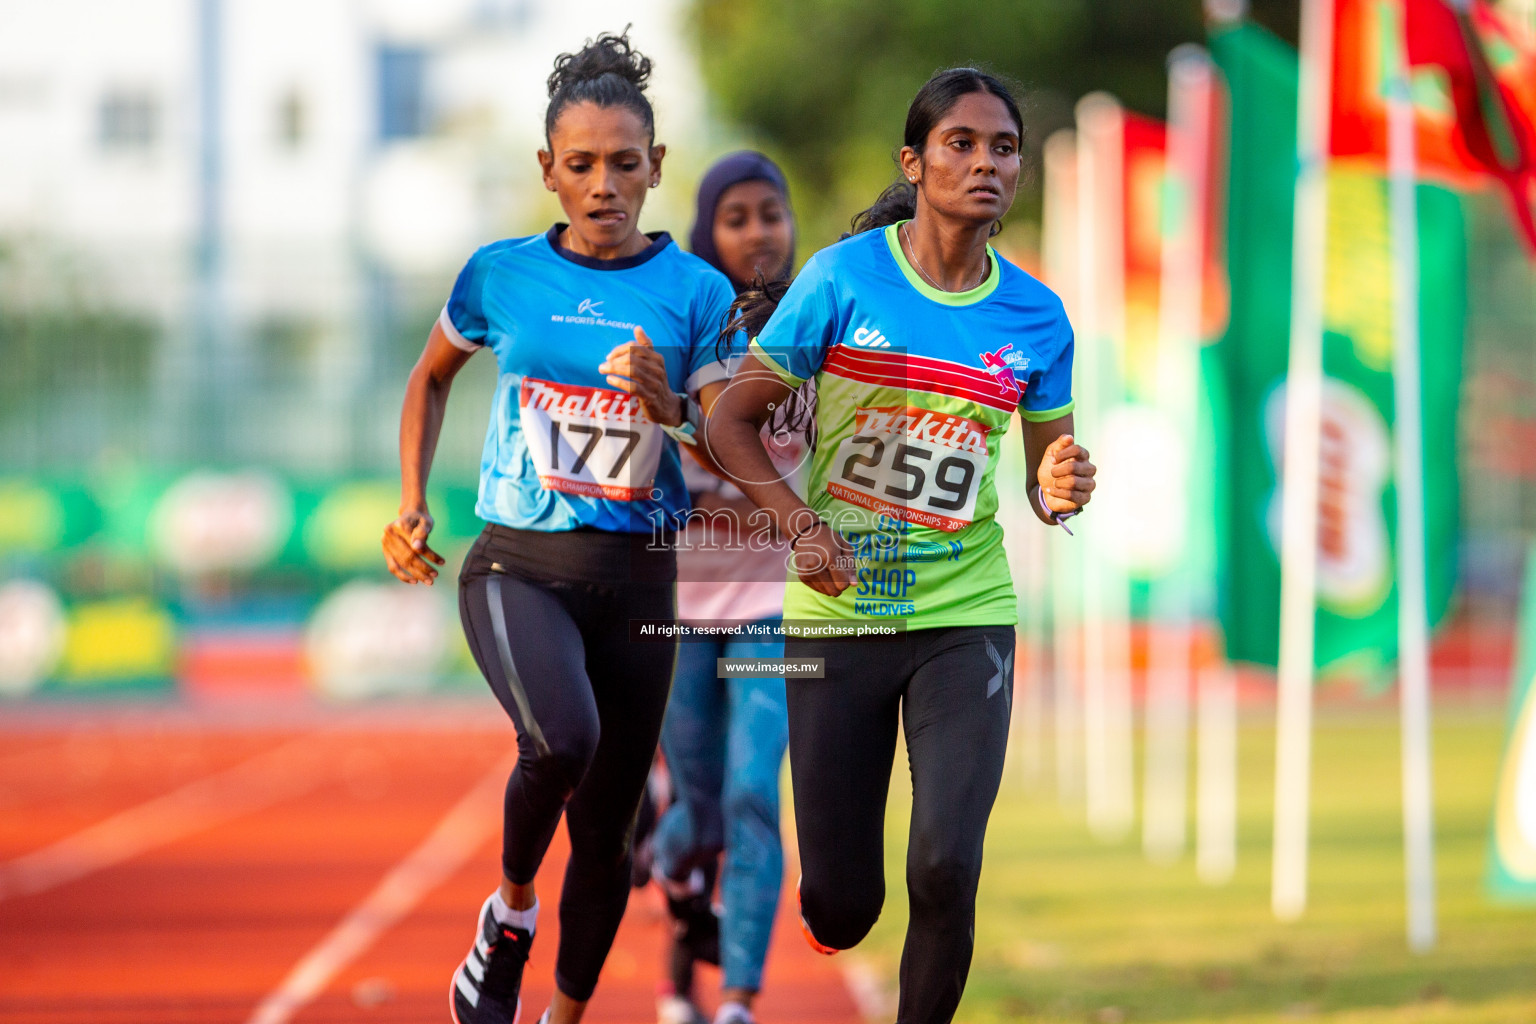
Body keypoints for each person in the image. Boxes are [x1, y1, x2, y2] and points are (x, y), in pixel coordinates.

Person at [704, 68, 1097, 1024]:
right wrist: (801, 526)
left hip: (967, 616)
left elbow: (1052, 476)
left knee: (947, 863)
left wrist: (1061, 486)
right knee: (843, 909)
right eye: (961, 144)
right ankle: (831, 902)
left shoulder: (1038, 318)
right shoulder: (841, 281)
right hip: (838, 620)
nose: (986, 163)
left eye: (1003, 147)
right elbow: (728, 422)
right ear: (914, 164)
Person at [380, 30, 737, 1024]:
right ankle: (509, 914)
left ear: (658, 167)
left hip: (640, 579)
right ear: (549, 170)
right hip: (518, 565)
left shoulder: (697, 295)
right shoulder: (500, 276)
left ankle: (565, 1017)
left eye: (626, 163)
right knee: (562, 739)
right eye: (580, 164)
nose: (605, 184)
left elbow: (726, 450)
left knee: (612, 839)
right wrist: (411, 499)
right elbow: (429, 378)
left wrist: (673, 405)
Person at [651, 152, 798, 1024]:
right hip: (674, 617)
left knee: (751, 791)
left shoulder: (816, 332)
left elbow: (765, 461)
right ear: (710, 231)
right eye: (736, 216)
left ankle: (738, 994)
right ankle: (674, 905)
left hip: (774, 611)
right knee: (694, 808)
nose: (757, 232)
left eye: (770, 212)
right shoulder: (676, 331)